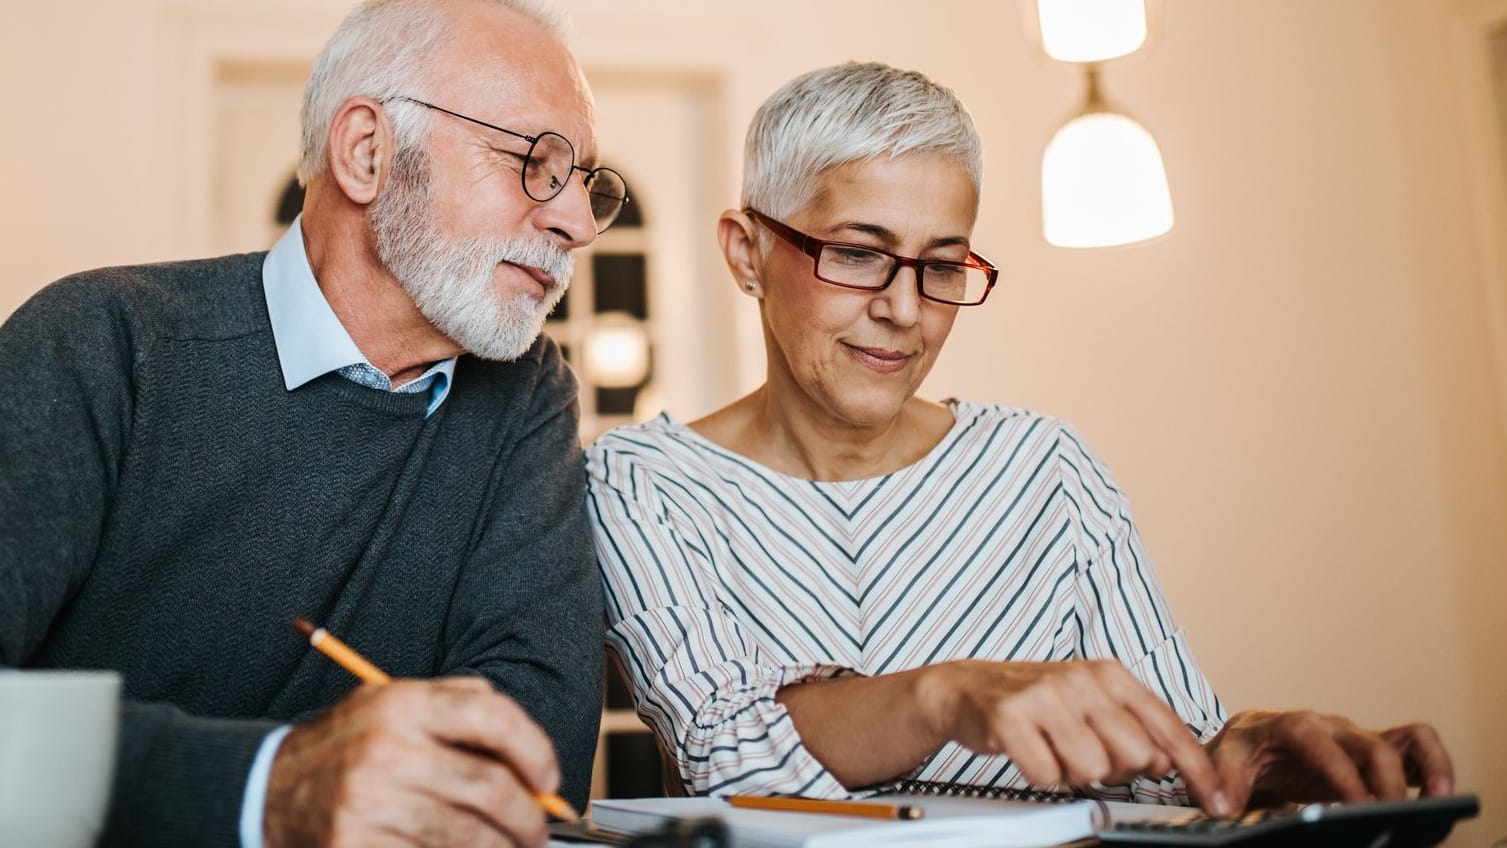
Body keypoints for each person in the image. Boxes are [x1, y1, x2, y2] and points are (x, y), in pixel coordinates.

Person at [587, 62, 1453, 814]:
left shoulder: (1048, 469)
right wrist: (944, 695)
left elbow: (1166, 766)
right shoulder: (641, 483)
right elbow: (729, 759)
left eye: (941, 265)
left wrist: (1252, 752)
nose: (902, 307)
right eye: (857, 252)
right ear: (745, 253)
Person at [0, 0, 625, 845]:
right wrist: (271, 785)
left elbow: (525, 759)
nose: (577, 224)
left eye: (585, 181)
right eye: (535, 162)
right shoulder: (102, 342)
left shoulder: (525, 392)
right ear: (367, 152)